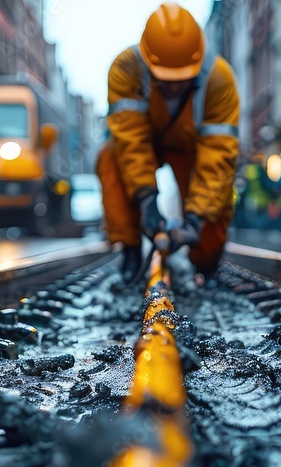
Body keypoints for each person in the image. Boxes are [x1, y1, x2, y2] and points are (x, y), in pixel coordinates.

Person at [97, 2, 240, 283]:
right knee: (110, 157)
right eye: (165, 79)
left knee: (215, 208)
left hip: (191, 150)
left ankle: (207, 263)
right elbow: (131, 143)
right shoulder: (125, 70)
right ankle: (130, 250)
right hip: (147, 143)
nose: (174, 86)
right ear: (148, 62)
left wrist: (195, 220)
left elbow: (218, 156)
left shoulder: (219, 80)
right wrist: (147, 201)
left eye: (183, 78)